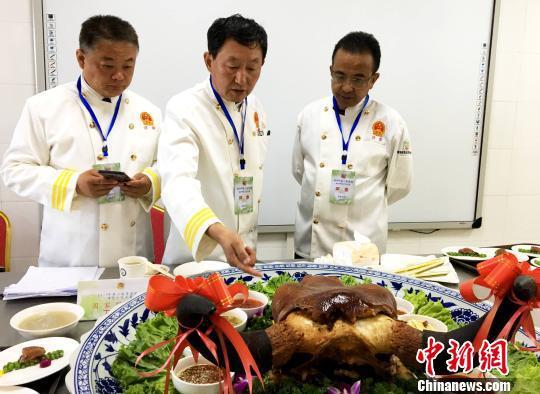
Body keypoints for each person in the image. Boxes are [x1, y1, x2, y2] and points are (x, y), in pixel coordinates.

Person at [1, 15, 161, 267]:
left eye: (128, 66)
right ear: (81, 58)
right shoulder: (44, 107)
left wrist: (150, 182)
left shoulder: (148, 112)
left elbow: (165, 166)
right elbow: (14, 170)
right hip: (70, 259)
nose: (119, 76)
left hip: (133, 257)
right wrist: (74, 183)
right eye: (108, 66)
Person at [159, 14, 268, 276]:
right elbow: (177, 181)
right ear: (209, 61)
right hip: (195, 261)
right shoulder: (184, 108)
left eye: (252, 68)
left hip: (244, 256)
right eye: (232, 66)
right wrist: (217, 231)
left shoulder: (256, 108)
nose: (242, 79)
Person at [292, 31, 412, 258]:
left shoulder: (391, 122)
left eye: (358, 79)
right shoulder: (309, 115)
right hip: (311, 247)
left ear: (373, 79)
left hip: (364, 251)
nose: (346, 87)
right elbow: (300, 171)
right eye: (339, 76)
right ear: (330, 71)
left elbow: (399, 186)